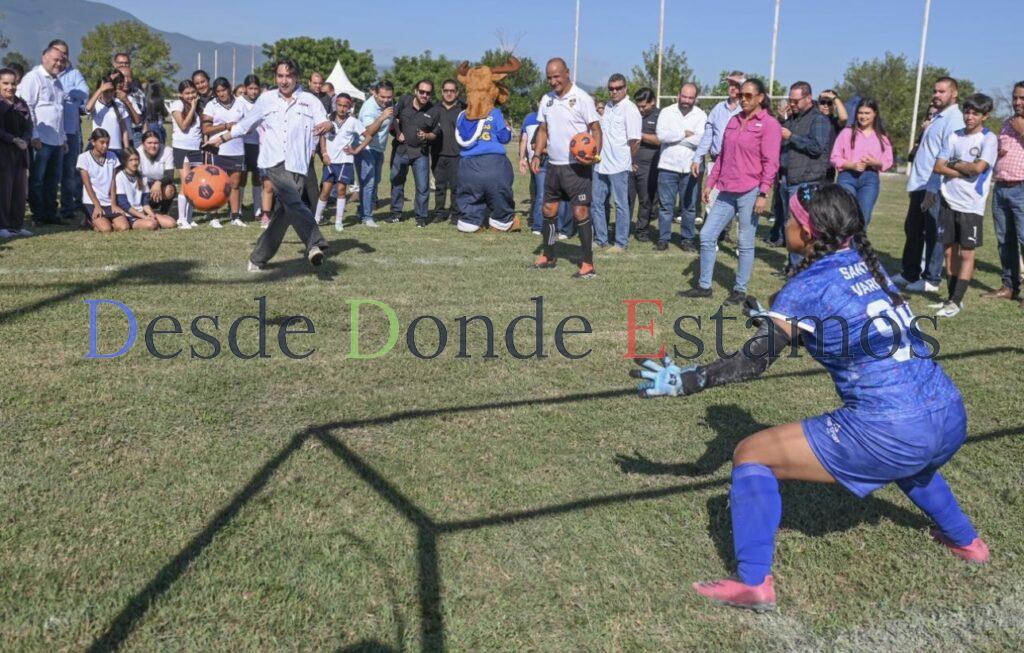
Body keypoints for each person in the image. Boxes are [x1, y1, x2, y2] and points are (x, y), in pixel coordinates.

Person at [630, 184, 988, 612]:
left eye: (791, 218)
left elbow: (753, 362)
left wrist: (689, 380)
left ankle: (753, 583)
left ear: (807, 229)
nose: (783, 223)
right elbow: (842, 324)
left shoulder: (804, 287)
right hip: (949, 413)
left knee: (750, 453)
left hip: (893, 428)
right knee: (913, 460)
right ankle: (967, 541)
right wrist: (777, 318)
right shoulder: (870, 265)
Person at [207, 57, 332, 272]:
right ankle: (314, 243)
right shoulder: (266, 100)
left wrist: (328, 124)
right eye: (280, 76)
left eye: (289, 76)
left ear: (297, 77)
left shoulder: (310, 100)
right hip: (273, 161)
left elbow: (325, 121)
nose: (284, 81)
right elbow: (245, 125)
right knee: (293, 201)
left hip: (299, 164)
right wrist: (220, 139)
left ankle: (257, 258)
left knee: (285, 213)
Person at [680, 79, 780, 304]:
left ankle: (740, 290)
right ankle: (704, 286)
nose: (743, 99)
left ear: (760, 98)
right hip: (725, 188)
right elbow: (723, 156)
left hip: (750, 191)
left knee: (744, 241)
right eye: (741, 95)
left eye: (748, 95)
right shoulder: (734, 120)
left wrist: (763, 193)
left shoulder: (769, 124)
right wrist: (710, 182)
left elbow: (771, 162)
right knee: (706, 235)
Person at [529, 57, 602, 279]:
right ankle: (548, 255)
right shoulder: (546, 100)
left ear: (567, 73)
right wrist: (537, 153)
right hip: (553, 165)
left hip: (576, 168)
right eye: (549, 78)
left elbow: (596, 129)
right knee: (548, 210)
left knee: (580, 211)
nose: (553, 82)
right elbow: (543, 129)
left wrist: (595, 154)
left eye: (557, 76)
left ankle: (587, 263)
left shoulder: (582, 98)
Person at [893, 77, 964, 292]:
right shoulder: (937, 118)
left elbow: (949, 155)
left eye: (942, 91)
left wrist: (934, 187)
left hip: (935, 186)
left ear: (954, 94)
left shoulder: (954, 119)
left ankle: (931, 279)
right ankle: (909, 272)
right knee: (913, 230)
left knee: (934, 232)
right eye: (935, 91)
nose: (936, 94)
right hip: (920, 184)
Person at [930, 94, 998, 318]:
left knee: (966, 253)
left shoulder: (989, 139)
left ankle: (956, 300)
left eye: (975, 113)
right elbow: (938, 167)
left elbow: (977, 169)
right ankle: (951, 300)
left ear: (985, 116)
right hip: (948, 200)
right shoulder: (953, 136)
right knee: (949, 252)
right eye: (967, 112)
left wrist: (954, 163)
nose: (969, 117)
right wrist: (962, 168)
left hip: (971, 205)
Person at [771, 82, 835, 265]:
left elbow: (817, 148)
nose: (792, 103)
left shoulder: (818, 120)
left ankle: (799, 269)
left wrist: (791, 136)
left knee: (801, 227)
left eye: (795, 100)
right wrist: (782, 120)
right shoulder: (793, 118)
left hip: (805, 180)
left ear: (808, 98)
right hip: (787, 178)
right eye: (790, 100)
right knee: (789, 224)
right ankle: (794, 265)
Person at [18, 44, 67, 226]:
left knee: (53, 180)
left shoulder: (58, 82)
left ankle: (50, 213)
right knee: (37, 180)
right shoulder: (33, 78)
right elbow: (26, 107)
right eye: (56, 59)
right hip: (40, 140)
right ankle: (38, 215)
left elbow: (58, 111)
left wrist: (63, 138)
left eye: (62, 60)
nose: (59, 63)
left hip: (56, 140)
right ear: (44, 58)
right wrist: (34, 135)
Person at [655, 82, 707, 252]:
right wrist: (684, 133)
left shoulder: (701, 115)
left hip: (690, 167)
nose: (686, 100)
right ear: (678, 95)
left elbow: (701, 140)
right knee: (665, 206)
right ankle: (663, 239)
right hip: (667, 166)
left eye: (690, 97)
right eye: (684, 96)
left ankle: (687, 239)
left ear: (695, 98)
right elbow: (662, 136)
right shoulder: (666, 111)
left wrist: (675, 137)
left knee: (689, 207)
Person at [985, 81, 1024, 306]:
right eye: (1015, 97)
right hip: (1001, 187)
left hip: (1022, 187)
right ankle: (1009, 286)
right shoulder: (1007, 123)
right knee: (1004, 240)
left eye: (1022, 98)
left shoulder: (1017, 125)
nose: (1017, 102)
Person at [592, 73, 641, 252]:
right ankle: (600, 239)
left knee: (621, 204)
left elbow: (635, 140)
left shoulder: (630, 109)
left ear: (625, 88)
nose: (614, 91)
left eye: (618, 88)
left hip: (619, 165)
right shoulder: (609, 107)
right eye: (611, 88)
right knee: (597, 202)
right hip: (600, 163)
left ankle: (621, 242)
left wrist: (629, 160)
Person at [315, 93, 378, 230]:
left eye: (345, 106)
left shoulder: (353, 122)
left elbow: (368, 137)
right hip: (330, 161)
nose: (342, 108)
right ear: (335, 105)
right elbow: (322, 137)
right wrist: (324, 153)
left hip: (345, 161)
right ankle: (316, 218)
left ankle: (338, 222)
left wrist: (356, 150)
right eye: (339, 105)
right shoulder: (328, 119)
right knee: (325, 191)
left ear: (350, 107)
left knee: (341, 190)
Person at [830, 98, 893, 225]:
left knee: (864, 217)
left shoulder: (882, 137)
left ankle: (857, 245)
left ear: (875, 113)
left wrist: (876, 163)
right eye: (860, 113)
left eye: (867, 113)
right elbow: (834, 157)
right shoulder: (846, 133)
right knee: (846, 216)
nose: (863, 116)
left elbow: (888, 161)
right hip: (847, 178)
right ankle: (844, 244)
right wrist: (851, 165)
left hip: (870, 179)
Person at [693, 71, 744, 223]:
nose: (733, 88)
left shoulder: (747, 111)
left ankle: (727, 233)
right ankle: (711, 235)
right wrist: (697, 157)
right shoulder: (718, 109)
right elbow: (707, 136)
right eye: (731, 84)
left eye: (737, 85)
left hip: (739, 164)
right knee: (712, 199)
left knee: (735, 201)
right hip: (716, 162)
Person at [389, 79, 440, 227]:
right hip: (401, 150)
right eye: (422, 92)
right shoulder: (404, 100)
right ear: (416, 91)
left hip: (421, 153)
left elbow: (435, 133)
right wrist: (398, 133)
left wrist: (427, 136)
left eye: (428, 93)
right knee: (396, 182)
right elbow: (393, 118)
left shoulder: (434, 110)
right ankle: (395, 214)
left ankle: (421, 217)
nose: (424, 95)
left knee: (423, 187)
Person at [201, 76, 249, 227]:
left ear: (229, 88)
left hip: (237, 148)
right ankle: (214, 217)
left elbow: (248, 124)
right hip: (218, 150)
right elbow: (206, 128)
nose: (221, 94)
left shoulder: (241, 103)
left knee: (234, 184)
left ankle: (235, 216)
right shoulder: (211, 105)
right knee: (216, 184)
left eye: (224, 90)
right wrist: (225, 126)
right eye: (218, 91)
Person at [51, 40, 88, 224]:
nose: (62, 56)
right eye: (58, 52)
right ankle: (47, 209)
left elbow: (84, 93)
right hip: (49, 132)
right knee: (49, 172)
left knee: (69, 172)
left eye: (65, 52)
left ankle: (67, 208)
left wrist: (68, 93)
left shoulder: (74, 74)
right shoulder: (42, 74)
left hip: (70, 131)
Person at [521, 109, 571, 237]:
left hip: (561, 163)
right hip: (543, 164)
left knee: (561, 196)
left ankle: (561, 228)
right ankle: (538, 226)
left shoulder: (566, 129)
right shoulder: (541, 128)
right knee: (541, 195)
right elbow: (533, 145)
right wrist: (547, 150)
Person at [356, 80, 394, 227]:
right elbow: (368, 132)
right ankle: (367, 217)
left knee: (376, 180)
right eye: (382, 97)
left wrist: (397, 131)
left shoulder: (388, 104)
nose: (386, 100)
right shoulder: (368, 108)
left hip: (379, 149)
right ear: (375, 93)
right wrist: (382, 117)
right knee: (369, 183)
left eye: (389, 97)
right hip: (366, 148)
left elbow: (393, 117)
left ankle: (362, 209)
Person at [0, 67, 33, 238]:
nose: (9, 87)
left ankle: (17, 225)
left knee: (20, 191)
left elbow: (29, 127)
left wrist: (26, 140)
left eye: (13, 84)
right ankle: (2, 226)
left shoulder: (21, 104)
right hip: (3, 153)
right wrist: (13, 139)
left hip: (20, 154)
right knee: (4, 190)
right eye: (5, 83)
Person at [78, 128, 127, 232]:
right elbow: (87, 185)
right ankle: (89, 219)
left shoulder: (112, 156)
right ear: (93, 142)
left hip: (108, 201)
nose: (105, 146)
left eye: (107, 143)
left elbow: (113, 182)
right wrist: (97, 205)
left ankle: (101, 220)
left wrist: (113, 203)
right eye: (102, 142)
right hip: (92, 202)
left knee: (124, 227)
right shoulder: (83, 158)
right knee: (106, 229)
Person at [114, 148, 176, 230]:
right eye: (131, 160)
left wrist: (152, 215)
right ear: (124, 162)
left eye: (136, 159)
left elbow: (145, 203)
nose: (134, 163)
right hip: (130, 215)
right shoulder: (120, 177)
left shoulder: (142, 177)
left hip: (143, 213)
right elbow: (124, 205)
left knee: (172, 223)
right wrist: (144, 217)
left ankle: (153, 218)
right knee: (152, 225)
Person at [169, 79, 203, 228]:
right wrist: (193, 106)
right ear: (181, 94)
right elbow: (183, 126)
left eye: (193, 92)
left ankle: (189, 217)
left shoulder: (198, 106)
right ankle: (181, 218)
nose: (190, 96)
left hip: (196, 148)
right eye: (187, 93)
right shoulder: (177, 105)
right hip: (182, 148)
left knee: (194, 183)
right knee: (186, 182)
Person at [431, 78, 465, 225]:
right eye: (446, 91)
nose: (449, 93)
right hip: (438, 154)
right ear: (442, 92)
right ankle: (439, 213)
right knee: (440, 187)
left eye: (452, 91)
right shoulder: (434, 108)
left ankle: (456, 215)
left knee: (456, 187)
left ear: (457, 92)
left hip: (457, 155)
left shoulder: (463, 109)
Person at [630, 87, 660, 243]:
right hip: (629, 161)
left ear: (652, 102)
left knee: (646, 199)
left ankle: (642, 230)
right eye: (638, 106)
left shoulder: (660, 116)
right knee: (627, 199)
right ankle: (625, 228)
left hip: (649, 164)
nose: (641, 110)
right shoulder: (633, 114)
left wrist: (639, 135)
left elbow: (660, 139)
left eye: (644, 106)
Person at [86, 70, 134, 154]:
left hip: (116, 148)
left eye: (111, 91)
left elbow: (124, 130)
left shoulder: (118, 105)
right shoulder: (96, 104)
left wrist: (127, 150)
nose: (108, 94)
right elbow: (88, 108)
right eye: (105, 91)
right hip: (99, 148)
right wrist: (101, 89)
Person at [238, 75, 265, 223]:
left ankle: (257, 210)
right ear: (245, 88)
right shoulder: (239, 102)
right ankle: (238, 209)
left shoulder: (262, 101)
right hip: (242, 144)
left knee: (257, 177)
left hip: (258, 145)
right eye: (251, 88)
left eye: (256, 88)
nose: (253, 92)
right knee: (241, 178)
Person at [138, 130, 176, 214]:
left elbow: (170, 175)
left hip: (161, 184)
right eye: (149, 143)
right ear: (143, 144)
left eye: (156, 143)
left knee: (169, 190)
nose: (153, 146)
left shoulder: (167, 151)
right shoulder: (138, 152)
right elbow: (136, 176)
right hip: (144, 185)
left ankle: (164, 212)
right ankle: (145, 208)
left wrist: (159, 183)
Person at [817, 89, 848, 181]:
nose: (826, 105)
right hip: (810, 167)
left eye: (830, 103)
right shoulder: (812, 120)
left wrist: (835, 98)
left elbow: (844, 118)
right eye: (823, 102)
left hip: (827, 169)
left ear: (834, 105)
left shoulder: (835, 122)